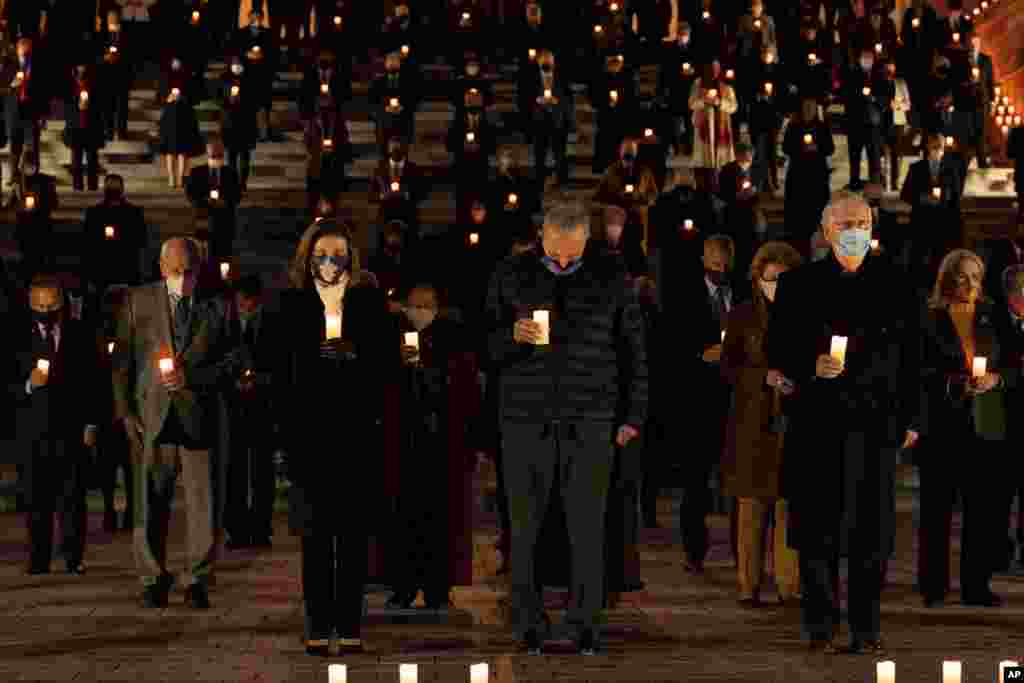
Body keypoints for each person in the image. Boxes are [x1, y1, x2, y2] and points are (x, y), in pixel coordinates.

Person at [485, 201, 648, 655]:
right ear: (542, 236)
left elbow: (634, 349)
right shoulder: (511, 272)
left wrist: (633, 415)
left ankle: (585, 624)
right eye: (554, 252)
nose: (561, 262)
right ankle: (528, 622)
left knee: (588, 527)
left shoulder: (612, 274)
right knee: (525, 528)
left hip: (591, 417)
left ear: (585, 241)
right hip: (524, 417)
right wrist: (510, 337)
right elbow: (484, 344)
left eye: (571, 254)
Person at [765, 190, 922, 654]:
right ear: (826, 230)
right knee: (817, 530)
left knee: (870, 532)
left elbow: (916, 358)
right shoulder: (798, 285)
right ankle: (819, 622)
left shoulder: (898, 283)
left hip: (875, 423)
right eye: (846, 224)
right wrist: (809, 364)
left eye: (863, 223)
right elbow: (778, 349)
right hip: (817, 424)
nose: (856, 232)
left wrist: (913, 418)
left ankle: (865, 627)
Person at [277, 220, 390, 655]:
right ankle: (318, 623)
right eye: (322, 254)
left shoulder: (368, 301)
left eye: (338, 254)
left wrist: (356, 354)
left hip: (357, 433)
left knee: (353, 536)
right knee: (316, 536)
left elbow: (387, 363)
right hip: (310, 435)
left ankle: (349, 623)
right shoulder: (291, 302)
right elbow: (277, 363)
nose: (330, 262)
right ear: (308, 257)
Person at [111, 237, 230, 609]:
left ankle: (197, 578)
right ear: (162, 269)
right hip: (153, 415)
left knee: (203, 503)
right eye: (176, 271)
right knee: (148, 500)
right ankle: (152, 577)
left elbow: (234, 359)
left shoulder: (218, 306)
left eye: (189, 271)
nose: (183, 278)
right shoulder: (138, 301)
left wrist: (194, 377)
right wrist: (125, 412)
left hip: (199, 415)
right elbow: (121, 363)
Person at [917, 249, 1009, 608]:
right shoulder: (930, 317)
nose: (970, 284)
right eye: (963, 276)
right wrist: (954, 383)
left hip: (985, 422)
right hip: (942, 423)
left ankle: (976, 586)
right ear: (947, 279)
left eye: (976, 277)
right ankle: (933, 585)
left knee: (982, 511)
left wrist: (996, 379)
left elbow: (1013, 360)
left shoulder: (992, 314)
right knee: (936, 509)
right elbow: (918, 369)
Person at [720, 242, 803, 607]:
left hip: (792, 420)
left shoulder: (807, 315)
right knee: (752, 506)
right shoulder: (742, 315)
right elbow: (729, 368)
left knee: (790, 505)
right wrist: (762, 377)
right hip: (753, 422)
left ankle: (789, 584)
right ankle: (748, 583)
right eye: (770, 279)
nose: (776, 287)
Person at [385, 283, 478, 609]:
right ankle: (404, 584)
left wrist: (429, 373)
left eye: (426, 305)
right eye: (414, 305)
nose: (419, 311)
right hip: (405, 442)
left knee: (439, 520)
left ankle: (437, 587)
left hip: (441, 443)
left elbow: (463, 388)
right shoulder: (396, 336)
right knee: (404, 519)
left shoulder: (452, 339)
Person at [14, 274, 100, 575]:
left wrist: (91, 423)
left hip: (70, 428)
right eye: (40, 306)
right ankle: (38, 559)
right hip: (32, 432)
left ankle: (73, 557)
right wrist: (28, 384)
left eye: (51, 305)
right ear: (30, 304)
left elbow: (93, 380)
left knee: (72, 497)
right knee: (36, 498)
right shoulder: (17, 336)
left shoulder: (80, 333)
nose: (46, 311)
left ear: (62, 303)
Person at [222, 275, 278, 550]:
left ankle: (260, 528)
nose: (244, 306)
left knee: (261, 471)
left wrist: (261, 379)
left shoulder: (272, 322)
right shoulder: (228, 322)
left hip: (262, 405)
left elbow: (280, 362)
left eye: (248, 301)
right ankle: (237, 528)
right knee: (234, 469)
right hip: (234, 405)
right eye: (241, 301)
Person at [82, 174, 148, 294]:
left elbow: (141, 240)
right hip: (105, 270)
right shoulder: (94, 213)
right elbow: (87, 242)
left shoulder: (133, 213)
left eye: (114, 189)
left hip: (124, 269)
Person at [185, 139, 243, 264]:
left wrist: (226, 201)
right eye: (213, 156)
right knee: (203, 251)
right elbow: (190, 194)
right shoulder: (196, 172)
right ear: (207, 154)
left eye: (219, 156)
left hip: (225, 219)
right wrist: (204, 201)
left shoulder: (231, 173)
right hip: (203, 216)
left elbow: (237, 195)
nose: (216, 159)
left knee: (224, 254)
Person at [157, 54, 203, 189]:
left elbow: (196, 96)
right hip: (170, 117)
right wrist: (167, 98)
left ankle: (182, 177)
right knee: (170, 151)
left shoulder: (189, 77)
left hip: (185, 116)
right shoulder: (165, 77)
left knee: (183, 150)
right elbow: (159, 95)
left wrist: (184, 97)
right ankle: (172, 178)